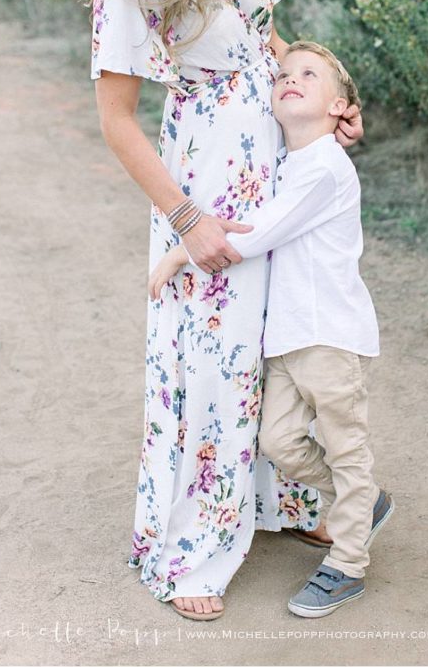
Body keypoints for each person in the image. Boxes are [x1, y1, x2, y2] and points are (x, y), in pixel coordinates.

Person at [88, 0, 364, 620]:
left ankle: (285, 502)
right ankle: (196, 540)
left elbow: (269, 37)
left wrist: (321, 103)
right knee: (211, 361)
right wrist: (186, 221)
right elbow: (115, 120)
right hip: (202, 178)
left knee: (277, 342)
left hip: (277, 155)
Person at [149, 41, 394, 619]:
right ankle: (363, 502)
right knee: (278, 441)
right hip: (285, 339)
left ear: (339, 107)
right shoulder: (286, 164)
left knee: (346, 447)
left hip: (330, 336)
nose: (290, 78)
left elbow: (257, 234)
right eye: (283, 72)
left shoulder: (326, 168)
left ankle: (348, 562)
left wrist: (181, 255)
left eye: (309, 74)